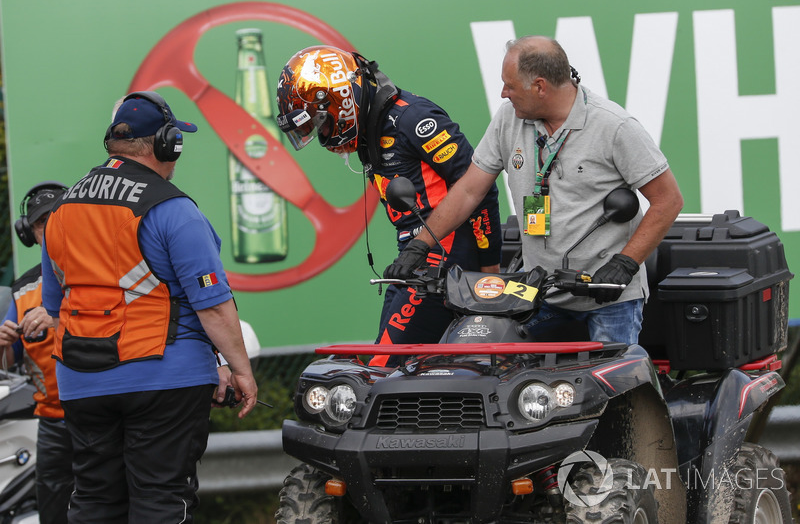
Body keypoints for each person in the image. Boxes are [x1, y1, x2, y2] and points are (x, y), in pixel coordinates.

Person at [40, 91, 258, 523]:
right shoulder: (172, 208)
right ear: (166, 143)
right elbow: (213, 305)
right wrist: (241, 369)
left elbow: (53, 304)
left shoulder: (61, 212)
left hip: (80, 380)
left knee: (94, 500)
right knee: (161, 500)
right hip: (163, 378)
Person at [385, 36, 684, 345]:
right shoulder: (508, 119)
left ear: (540, 87)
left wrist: (626, 262)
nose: (504, 93)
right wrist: (420, 246)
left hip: (606, 297)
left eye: (510, 86)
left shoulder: (615, 126)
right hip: (538, 291)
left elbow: (668, 200)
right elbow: (468, 192)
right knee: (488, 365)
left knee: (612, 388)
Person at [275, 46, 503, 355]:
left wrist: (490, 271)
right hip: (411, 262)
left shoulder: (413, 118)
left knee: (382, 367)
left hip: (442, 264)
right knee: (399, 370)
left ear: (341, 100)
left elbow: (480, 189)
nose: (322, 134)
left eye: (320, 123)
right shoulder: (371, 131)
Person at [0, 181, 71, 524]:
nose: (51, 229)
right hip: (53, 422)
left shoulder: (103, 273)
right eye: (42, 224)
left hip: (103, 416)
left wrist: (61, 316)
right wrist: (2, 343)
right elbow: (9, 361)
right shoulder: (23, 289)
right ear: (30, 234)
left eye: (58, 217)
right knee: (53, 513)